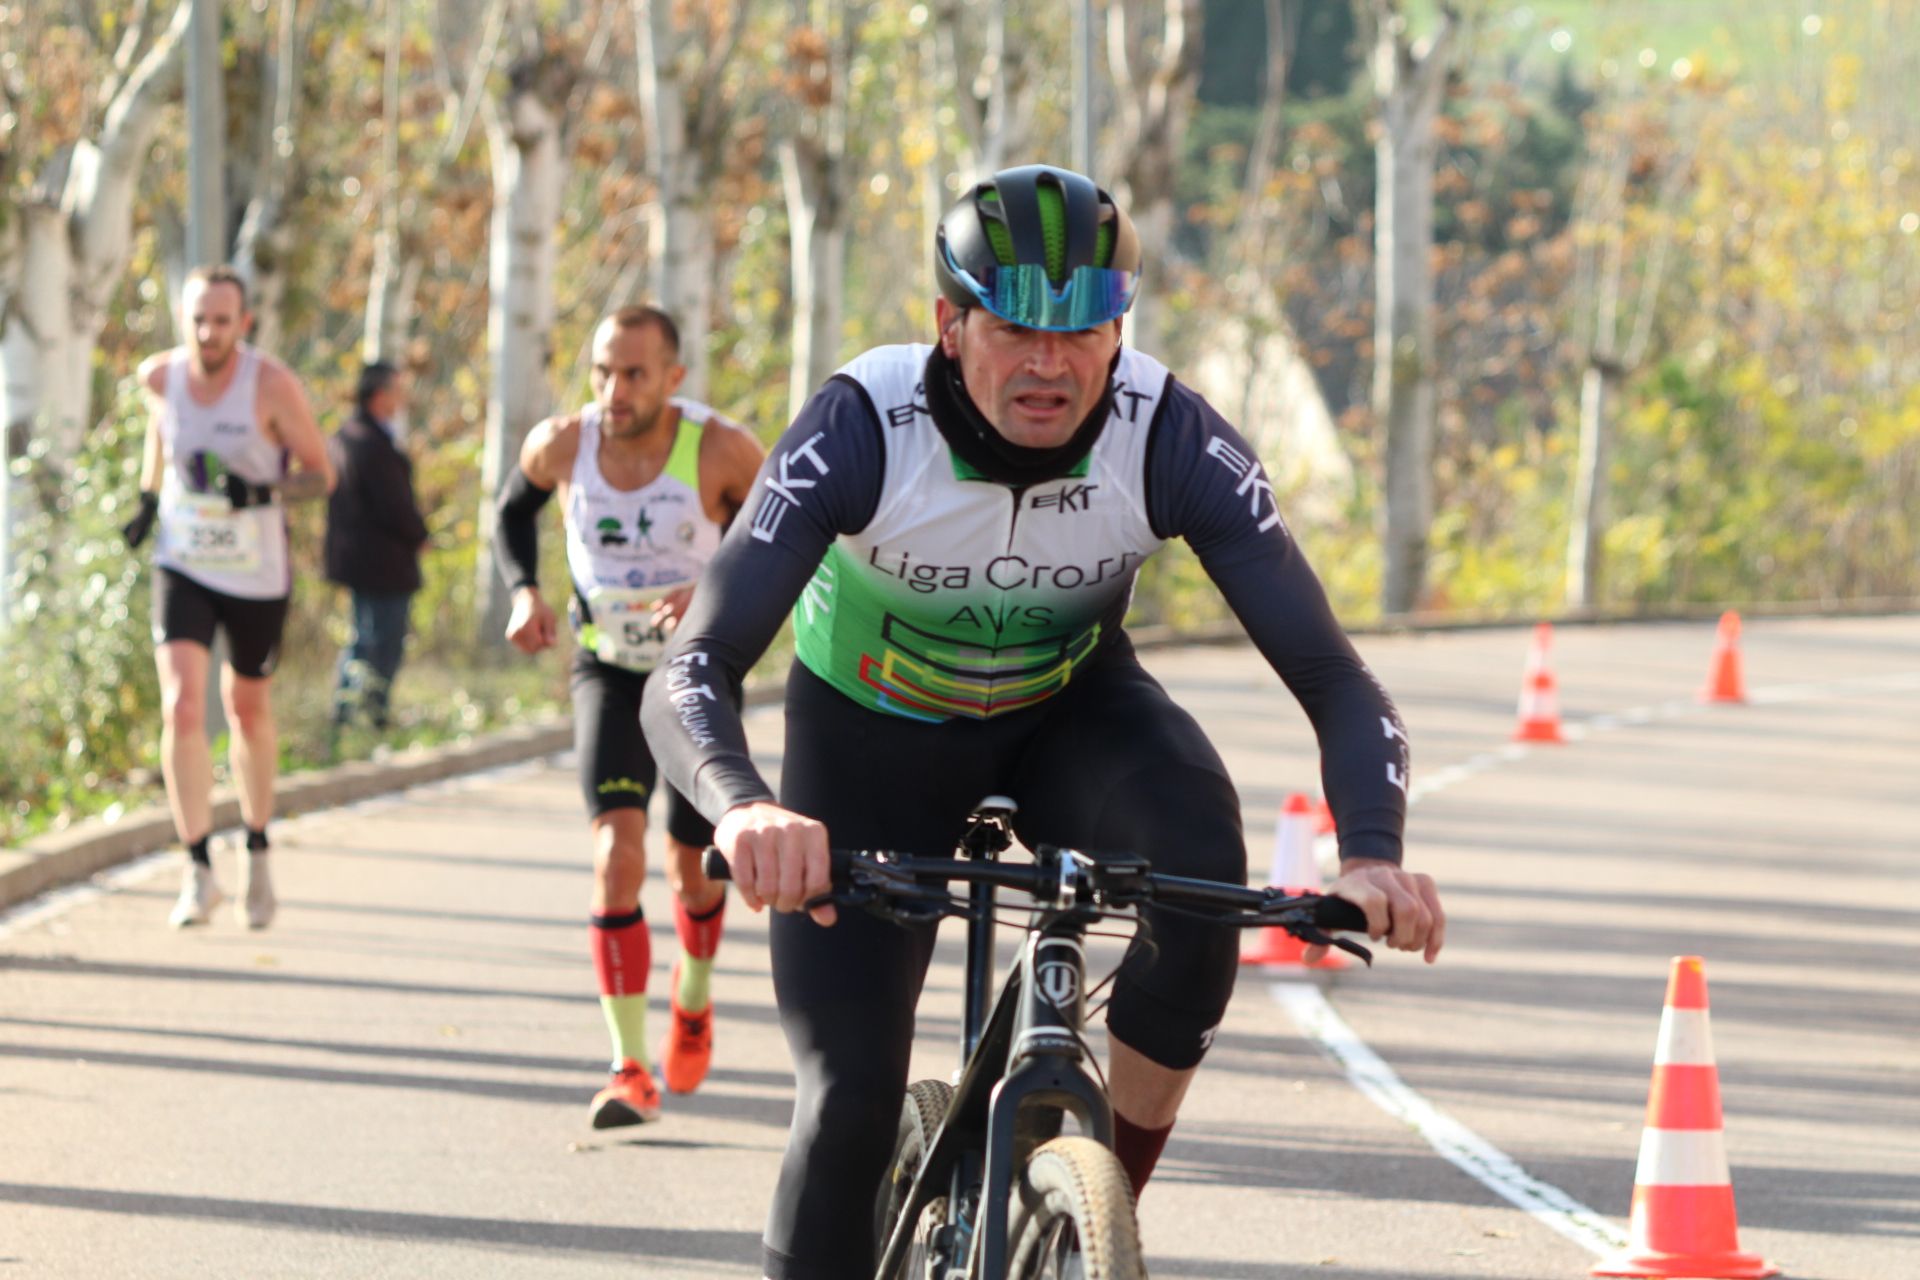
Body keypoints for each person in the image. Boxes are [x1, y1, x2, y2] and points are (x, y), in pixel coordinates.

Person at [638, 164, 1446, 1280]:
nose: (1050, 362)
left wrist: (1375, 853)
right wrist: (745, 808)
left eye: (1085, 329)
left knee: (1202, 864)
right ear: (950, 323)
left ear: (1119, 332)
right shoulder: (865, 424)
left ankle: (1074, 1233)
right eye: (1018, 327)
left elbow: (1334, 672)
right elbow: (693, 667)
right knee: (851, 1099)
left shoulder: (1169, 436)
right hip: (865, 733)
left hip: (1065, 708)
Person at [492, 305, 765, 1127]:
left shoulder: (720, 449)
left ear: (673, 379)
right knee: (616, 850)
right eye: (603, 371)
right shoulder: (562, 443)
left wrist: (712, 595)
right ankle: (629, 1068)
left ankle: (694, 996)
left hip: (694, 676)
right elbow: (512, 513)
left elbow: (780, 536)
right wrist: (524, 591)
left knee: (690, 869)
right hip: (605, 669)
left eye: (635, 373)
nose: (614, 390)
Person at [121, 264, 335, 930]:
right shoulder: (159, 377)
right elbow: (161, 432)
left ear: (243, 324)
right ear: (181, 320)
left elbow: (320, 473)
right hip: (183, 560)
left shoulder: (270, 385)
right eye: (197, 319)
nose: (208, 332)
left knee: (245, 708)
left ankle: (258, 847)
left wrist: (264, 492)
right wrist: (147, 498)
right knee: (183, 705)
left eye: (222, 320)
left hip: (255, 573)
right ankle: (197, 869)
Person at [324, 360, 429, 734]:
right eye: (398, 390)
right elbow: (394, 504)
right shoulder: (370, 444)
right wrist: (420, 535)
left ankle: (350, 711)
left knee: (364, 636)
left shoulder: (346, 437)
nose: (403, 399)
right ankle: (368, 713)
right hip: (382, 563)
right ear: (380, 395)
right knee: (379, 641)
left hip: (360, 561)